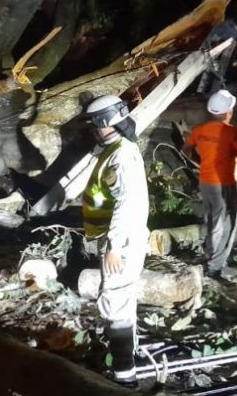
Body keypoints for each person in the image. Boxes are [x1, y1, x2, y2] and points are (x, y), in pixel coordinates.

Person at [80, 95, 149, 382]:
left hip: (121, 242)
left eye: (95, 125)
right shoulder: (118, 149)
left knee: (115, 301)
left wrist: (114, 247)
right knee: (123, 301)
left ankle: (124, 376)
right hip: (122, 238)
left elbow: (126, 203)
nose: (93, 130)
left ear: (105, 123)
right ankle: (127, 361)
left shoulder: (120, 156)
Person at [183, 90, 237, 280]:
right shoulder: (233, 133)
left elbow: (186, 149)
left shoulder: (199, 130)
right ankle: (216, 266)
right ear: (229, 111)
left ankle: (210, 257)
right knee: (228, 224)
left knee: (212, 221)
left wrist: (201, 161)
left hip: (205, 181)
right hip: (226, 183)